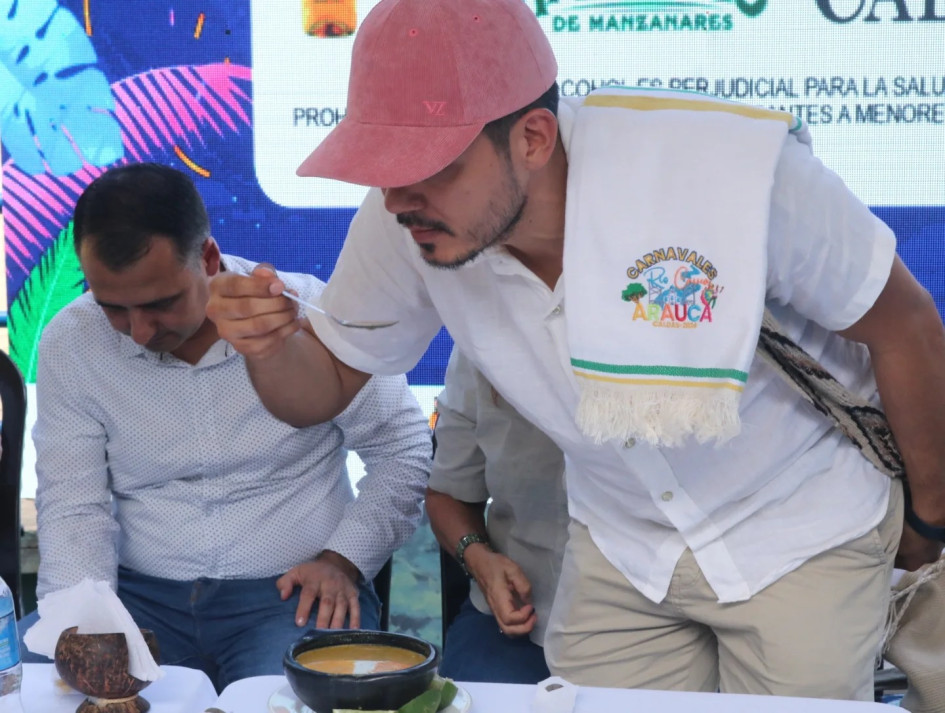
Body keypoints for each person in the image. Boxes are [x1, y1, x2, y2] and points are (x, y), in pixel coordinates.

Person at [206, 0, 945, 700]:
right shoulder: (406, 218)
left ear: (532, 138)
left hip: (799, 527)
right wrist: (266, 347)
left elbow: (904, 325)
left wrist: (930, 520)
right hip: (621, 544)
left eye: (431, 165)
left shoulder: (731, 170)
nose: (399, 199)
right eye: (385, 168)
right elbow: (322, 387)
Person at [25, 163, 432, 692]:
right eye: (114, 310)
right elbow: (73, 503)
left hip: (292, 596)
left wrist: (345, 558)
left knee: (281, 702)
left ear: (209, 259)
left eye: (159, 304)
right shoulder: (71, 342)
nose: (140, 332)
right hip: (136, 598)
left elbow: (402, 449)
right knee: (29, 693)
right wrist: (83, 619)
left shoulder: (305, 312)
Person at [426, 348, 568, 684]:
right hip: (522, 610)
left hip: (652, 613)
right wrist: (478, 557)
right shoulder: (477, 338)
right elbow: (447, 493)